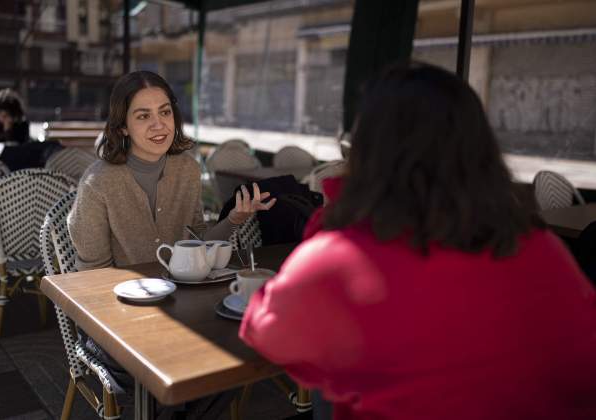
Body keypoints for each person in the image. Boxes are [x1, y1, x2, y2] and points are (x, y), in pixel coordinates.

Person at [239, 62, 596, 419]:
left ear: (368, 153)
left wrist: (339, 210)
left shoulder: (342, 259)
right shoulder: (543, 249)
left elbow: (262, 329)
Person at [68, 70, 275, 417]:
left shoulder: (187, 170)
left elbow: (195, 245)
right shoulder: (98, 183)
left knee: (236, 356)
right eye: (143, 115)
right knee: (176, 385)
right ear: (122, 127)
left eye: (165, 112)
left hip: (181, 311)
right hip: (116, 324)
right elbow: (90, 280)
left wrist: (234, 219)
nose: (158, 124)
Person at [0, 88, 62, 170]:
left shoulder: (22, 125)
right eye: (0, 113)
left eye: (7, 114)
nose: (3, 116)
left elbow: (23, 143)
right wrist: (6, 129)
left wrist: (9, 127)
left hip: (20, 160)